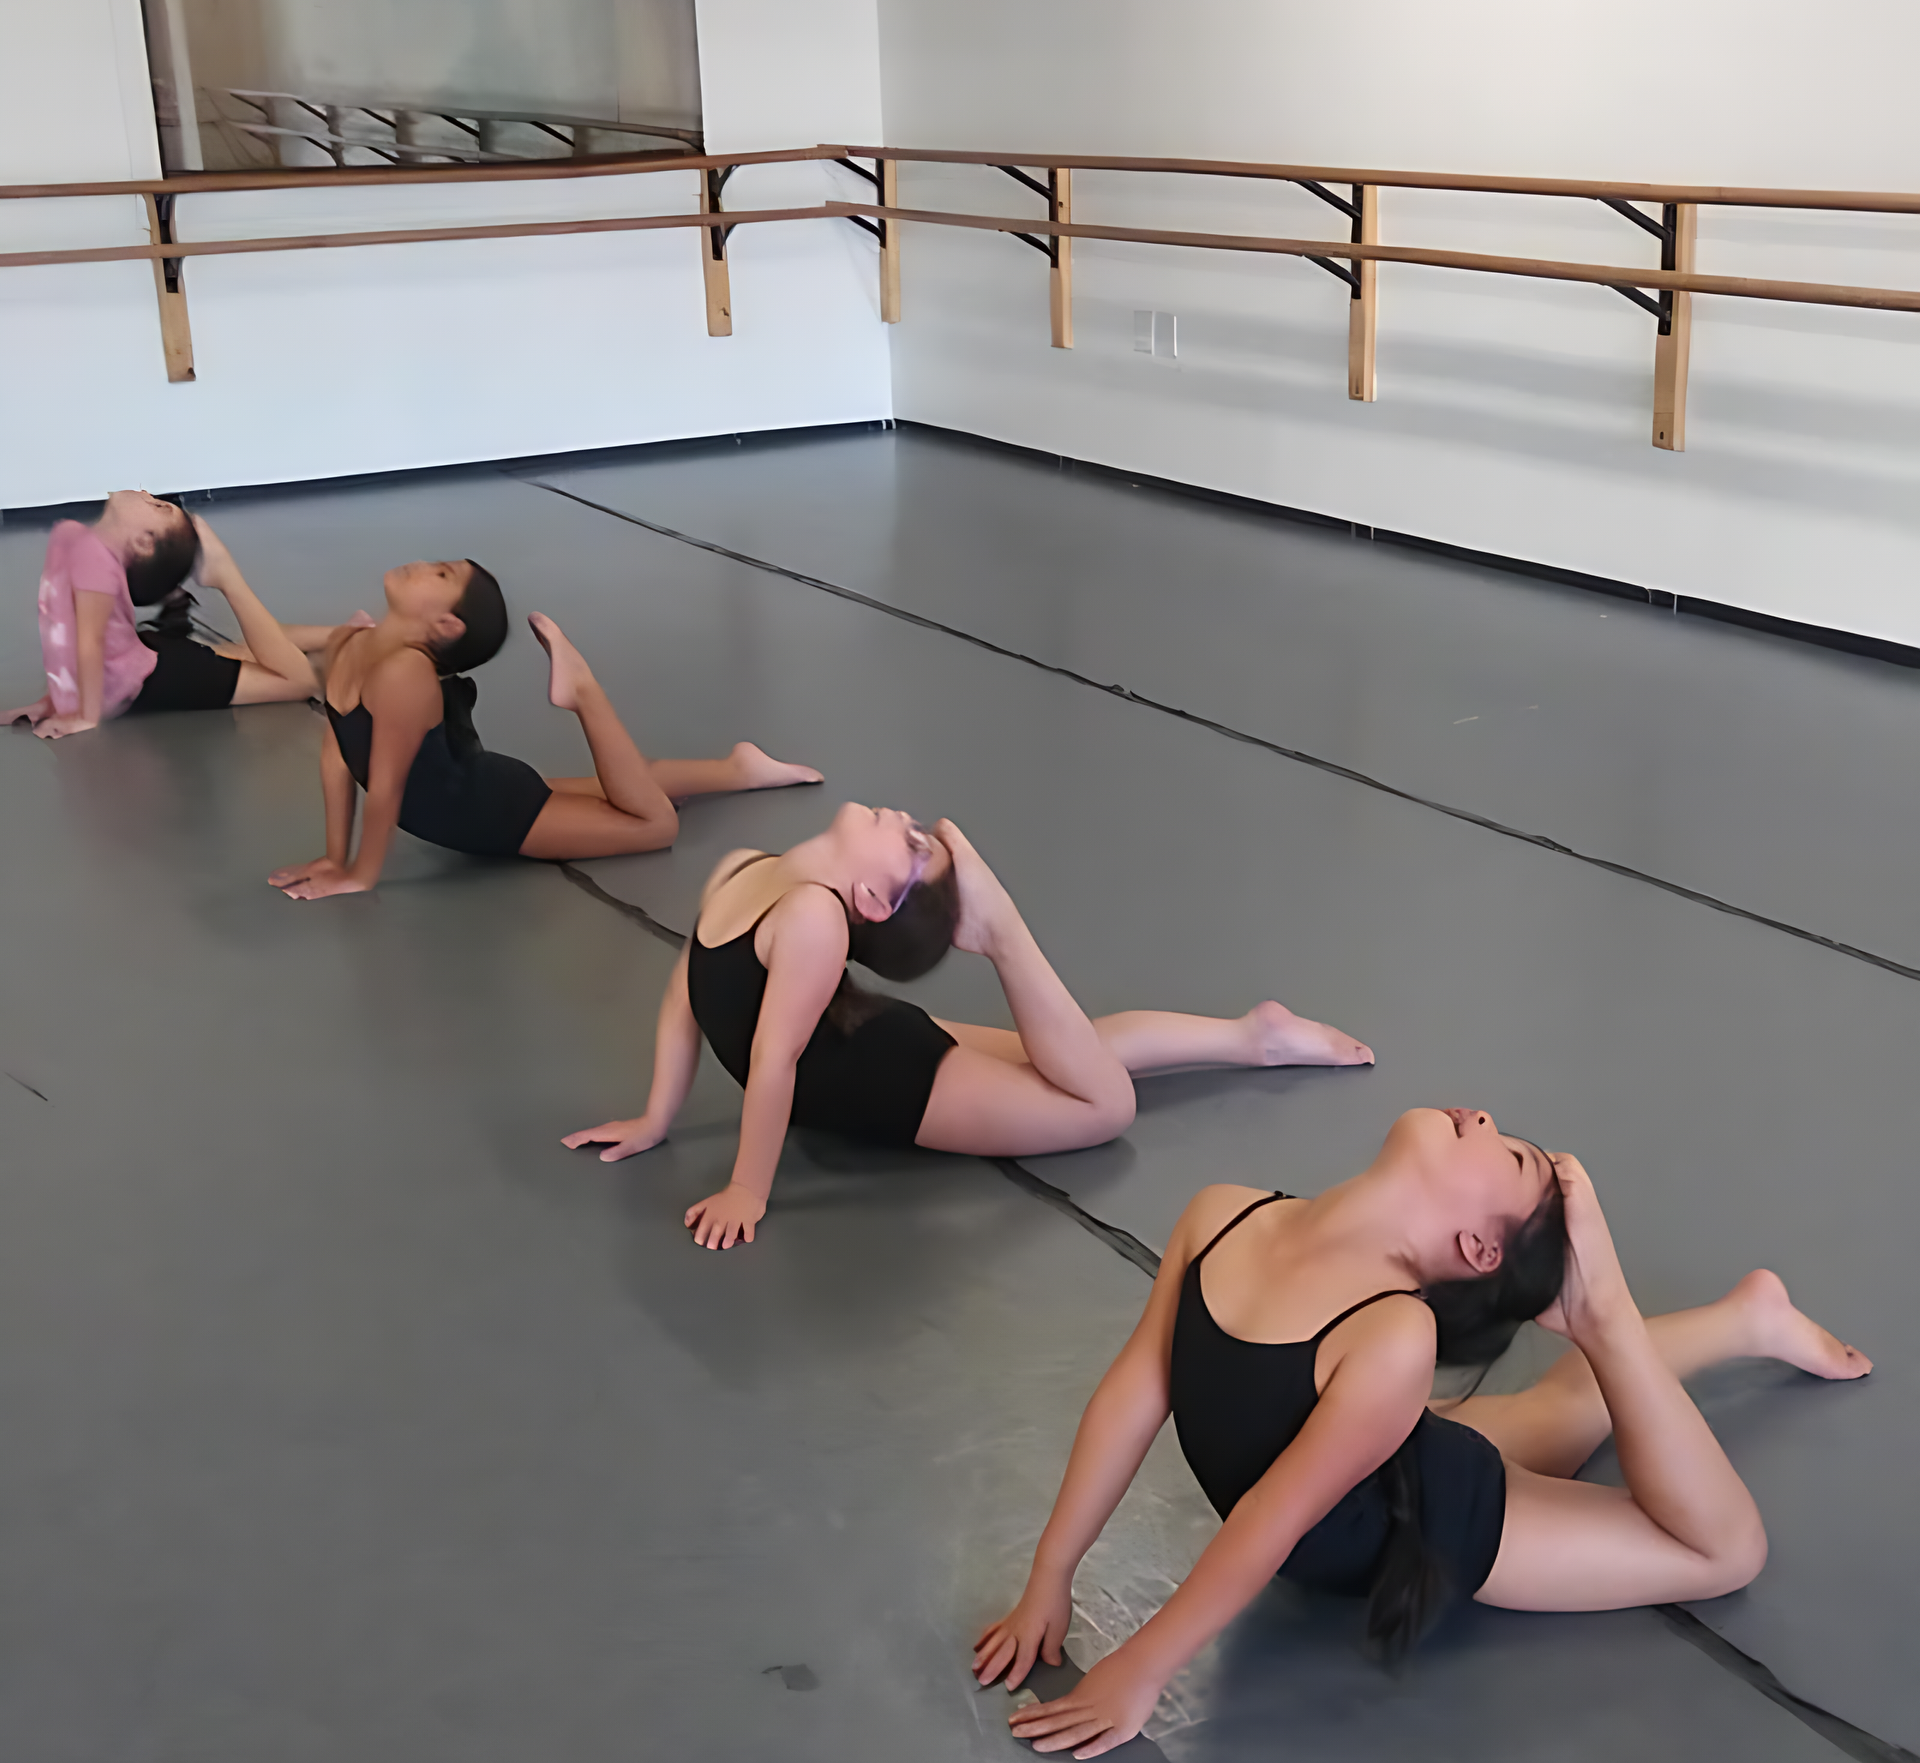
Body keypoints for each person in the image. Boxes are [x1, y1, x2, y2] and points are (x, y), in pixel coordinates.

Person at [974, 1112, 1871, 1753]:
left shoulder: (1393, 1335)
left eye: (1507, 1152)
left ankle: (1620, 1324)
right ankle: (1747, 1318)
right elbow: (1136, 1391)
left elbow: (1269, 1520)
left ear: (1480, 1250)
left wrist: (1143, 1666)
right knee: (1546, 1416)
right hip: (1381, 1461)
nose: (1479, 1115)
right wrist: (1051, 1572)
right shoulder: (1223, 1214)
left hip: (1433, 1521)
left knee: (1724, 1551)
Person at [564, 809, 1373, 1250]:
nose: (906, 818)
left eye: (912, 845)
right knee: (1061, 1061)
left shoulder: (813, 918)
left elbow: (773, 1062)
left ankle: (1002, 930)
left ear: (874, 901)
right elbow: (687, 996)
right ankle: (1248, 1037)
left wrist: (749, 1187)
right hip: (866, 1046)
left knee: (1104, 1108)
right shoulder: (743, 867)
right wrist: (655, 1116)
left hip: (890, 1083)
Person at [270, 561, 819, 900]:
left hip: (487, 814)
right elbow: (337, 754)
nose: (420, 565)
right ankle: (737, 769)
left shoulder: (404, 677)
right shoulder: (347, 641)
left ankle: (583, 693)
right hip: (477, 787)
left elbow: (386, 789)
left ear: (446, 626)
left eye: (440, 574)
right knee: (620, 789)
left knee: (654, 826)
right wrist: (333, 856)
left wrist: (361, 875)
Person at [7, 490, 334, 734]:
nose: (146, 493)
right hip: (147, 663)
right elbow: (65, 634)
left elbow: (88, 641)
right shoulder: (74, 538)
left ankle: (230, 578)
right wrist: (55, 700)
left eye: (157, 505)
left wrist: (84, 716)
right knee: (251, 654)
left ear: (144, 542)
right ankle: (343, 636)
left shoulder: (84, 550)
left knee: (300, 680)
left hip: (153, 675)